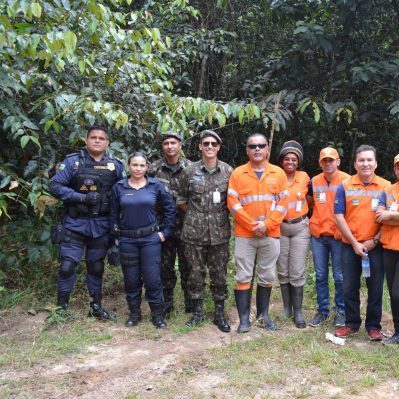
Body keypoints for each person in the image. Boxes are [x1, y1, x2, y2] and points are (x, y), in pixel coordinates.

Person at [50, 125, 125, 319]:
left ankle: (96, 308)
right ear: (86, 140)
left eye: (101, 138)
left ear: (107, 142)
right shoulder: (73, 162)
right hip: (75, 222)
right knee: (67, 267)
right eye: (93, 137)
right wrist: (80, 198)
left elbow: (122, 192)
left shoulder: (115, 165)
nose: (97, 141)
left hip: (101, 225)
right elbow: (55, 186)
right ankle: (61, 311)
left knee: (96, 267)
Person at [228, 134, 288, 333]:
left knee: (267, 274)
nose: (257, 149)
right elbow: (233, 204)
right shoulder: (238, 173)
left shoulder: (278, 173)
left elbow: (283, 204)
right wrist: (252, 224)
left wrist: (267, 225)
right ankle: (244, 319)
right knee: (243, 275)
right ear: (247, 150)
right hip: (245, 235)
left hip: (270, 234)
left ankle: (263, 316)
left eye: (261, 146)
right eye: (252, 146)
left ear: (267, 149)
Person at [109, 152, 176, 328]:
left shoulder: (155, 186)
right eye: (134, 165)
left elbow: (170, 209)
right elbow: (113, 214)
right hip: (128, 240)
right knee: (131, 279)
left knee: (152, 279)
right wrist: (117, 235)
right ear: (128, 166)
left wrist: (165, 232)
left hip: (150, 240)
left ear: (147, 167)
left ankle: (157, 316)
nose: (138, 169)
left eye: (141, 165)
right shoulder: (119, 187)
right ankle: (134, 313)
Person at [177, 130, 232, 333]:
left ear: (218, 147)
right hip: (194, 234)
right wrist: (197, 216)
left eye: (213, 144)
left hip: (219, 234)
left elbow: (232, 201)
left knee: (219, 274)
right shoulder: (189, 171)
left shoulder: (228, 172)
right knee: (195, 273)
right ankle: (198, 312)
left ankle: (219, 313)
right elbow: (182, 200)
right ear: (200, 146)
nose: (209, 147)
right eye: (206, 143)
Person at [334, 145, 390, 341]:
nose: (365, 164)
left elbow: (390, 220)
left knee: (375, 288)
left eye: (369, 160)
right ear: (355, 164)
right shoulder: (345, 185)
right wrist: (354, 243)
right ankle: (351, 323)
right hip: (350, 246)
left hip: (376, 247)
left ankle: (373, 326)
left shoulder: (386, 186)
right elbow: (339, 216)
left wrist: (374, 241)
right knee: (349, 286)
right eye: (361, 160)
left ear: (376, 163)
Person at [148, 132, 192, 316]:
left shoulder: (191, 167)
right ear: (162, 147)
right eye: (166, 143)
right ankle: (167, 302)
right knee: (164, 266)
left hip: (187, 225)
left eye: (173, 142)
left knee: (188, 265)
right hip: (162, 226)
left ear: (180, 145)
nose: (170, 146)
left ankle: (190, 301)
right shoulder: (153, 168)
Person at [307, 147, 350, 327]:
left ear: (338, 161)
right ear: (320, 163)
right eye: (324, 160)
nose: (328, 163)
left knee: (340, 276)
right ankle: (322, 310)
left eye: (331, 160)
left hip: (339, 236)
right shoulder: (313, 182)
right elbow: (308, 203)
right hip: (318, 236)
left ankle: (340, 310)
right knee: (321, 275)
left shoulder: (347, 180)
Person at [276, 141, 309, 328]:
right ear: (282, 161)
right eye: (287, 159)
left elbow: (310, 199)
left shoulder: (304, 177)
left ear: (298, 162)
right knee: (282, 270)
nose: (290, 162)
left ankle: (298, 312)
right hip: (279, 227)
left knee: (296, 270)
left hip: (300, 228)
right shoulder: (274, 175)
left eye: (294, 159)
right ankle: (287, 308)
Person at [376, 154, 399, 344]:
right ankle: (397, 332)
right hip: (389, 248)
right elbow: (379, 215)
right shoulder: (388, 190)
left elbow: (386, 215)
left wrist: (390, 214)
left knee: (398, 292)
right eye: (398, 166)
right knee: (393, 292)